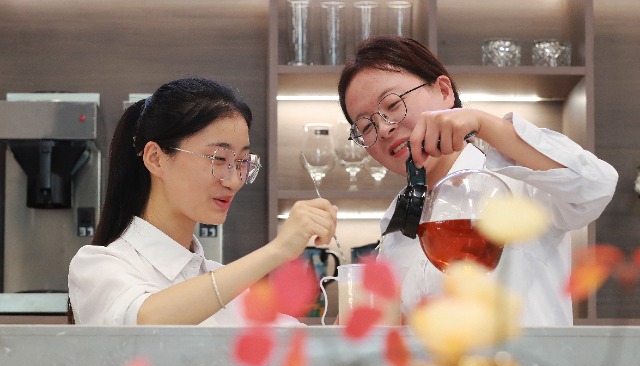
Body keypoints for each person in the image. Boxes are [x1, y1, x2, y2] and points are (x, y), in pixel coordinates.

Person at [337, 35, 618, 327]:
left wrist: (484, 124)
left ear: (444, 91)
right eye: (365, 127)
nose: (383, 129)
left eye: (393, 104)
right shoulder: (397, 220)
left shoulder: (520, 178)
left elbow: (596, 185)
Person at [68, 77, 338, 325]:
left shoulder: (225, 285)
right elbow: (146, 322)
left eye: (242, 162)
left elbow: (304, 346)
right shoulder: (99, 266)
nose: (234, 181)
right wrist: (277, 250)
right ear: (156, 158)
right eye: (219, 159)